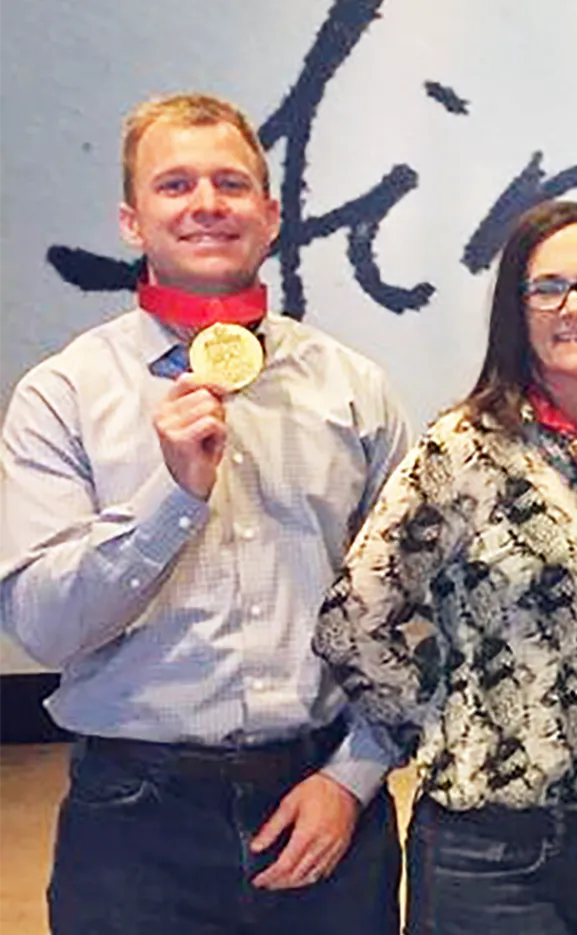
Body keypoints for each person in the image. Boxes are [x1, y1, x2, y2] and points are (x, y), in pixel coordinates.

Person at [0, 92, 408, 933]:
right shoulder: (62, 395)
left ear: (270, 214)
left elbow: (416, 614)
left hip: (323, 805)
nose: (206, 204)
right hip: (132, 822)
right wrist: (172, 498)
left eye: (230, 183)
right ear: (131, 220)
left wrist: (354, 777)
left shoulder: (355, 391)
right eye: (175, 185)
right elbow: (42, 627)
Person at [313, 199, 577, 934]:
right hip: (495, 859)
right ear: (519, 310)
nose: (575, 306)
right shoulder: (465, 449)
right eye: (548, 287)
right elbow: (353, 619)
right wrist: (443, 722)